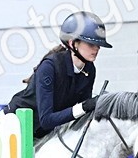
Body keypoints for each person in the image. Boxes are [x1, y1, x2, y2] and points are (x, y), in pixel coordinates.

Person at [6, 11, 111, 139]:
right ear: (72, 43)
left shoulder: (89, 69)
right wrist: (84, 106)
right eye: (91, 44)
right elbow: (46, 120)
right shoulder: (49, 67)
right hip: (15, 128)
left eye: (98, 45)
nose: (97, 49)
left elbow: (82, 114)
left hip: (46, 134)